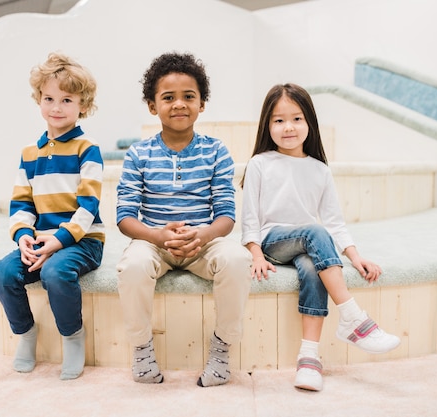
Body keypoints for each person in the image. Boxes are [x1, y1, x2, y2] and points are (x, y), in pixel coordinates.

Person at [240, 83, 400, 391]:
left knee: (314, 268)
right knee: (315, 231)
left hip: (307, 243)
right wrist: (256, 253)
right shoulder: (260, 163)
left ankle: (309, 359)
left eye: (297, 118)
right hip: (273, 241)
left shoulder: (319, 170)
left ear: (309, 122)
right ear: (267, 125)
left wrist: (356, 257)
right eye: (278, 120)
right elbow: (249, 219)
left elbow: (335, 223)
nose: (289, 127)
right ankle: (353, 317)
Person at [116, 52, 253, 387]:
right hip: (154, 242)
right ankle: (141, 348)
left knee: (237, 259)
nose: (179, 104)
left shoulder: (216, 151)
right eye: (168, 98)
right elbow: (124, 217)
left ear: (201, 104)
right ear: (153, 106)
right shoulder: (139, 154)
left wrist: (202, 236)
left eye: (188, 96)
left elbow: (226, 215)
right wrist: (157, 237)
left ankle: (222, 349)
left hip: (203, 242)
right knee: (131, 267)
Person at [0, 52, 105, 380]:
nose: (56, 107)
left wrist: (59, 241)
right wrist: (24, 235)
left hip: (82, 240)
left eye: (66, 100)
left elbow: (89, 205)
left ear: (82, 104)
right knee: (3, 274)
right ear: (39, 100)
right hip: (40, 240)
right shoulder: (30, 153)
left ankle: (72, 337)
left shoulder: (88, 148)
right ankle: (25, 334)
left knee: (55, 273)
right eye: (49, 98)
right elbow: (21, 203)